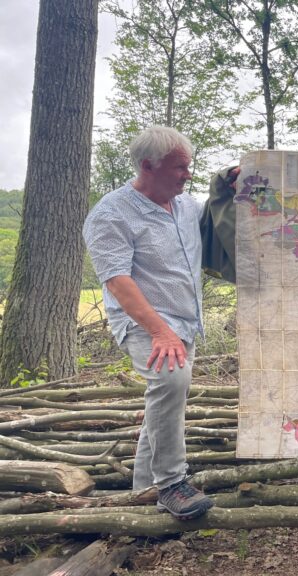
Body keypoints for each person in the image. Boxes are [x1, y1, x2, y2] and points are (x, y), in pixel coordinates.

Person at [83, 126, 213, 521]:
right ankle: (172, 483)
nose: (186, 175)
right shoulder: (110, 213)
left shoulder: (186, 205)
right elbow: (118, 280)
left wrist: (231, 183)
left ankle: (143, 491)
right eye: (179, 167)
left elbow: (218, 211)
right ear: (147, 166)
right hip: (144, 322)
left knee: (165, 397)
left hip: (185, 321)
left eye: (188, 167)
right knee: (171, 380)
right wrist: (159, 330)